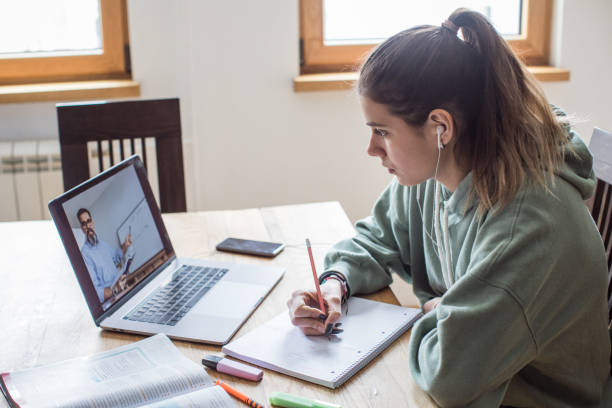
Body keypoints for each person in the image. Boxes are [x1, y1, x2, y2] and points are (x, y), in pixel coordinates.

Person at [286, 8, 612, 407]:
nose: (371, 149)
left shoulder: (530, 227)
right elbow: (376, 238)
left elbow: (448, 376)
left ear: (441, 127)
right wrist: (333, 283)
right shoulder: (435, 174)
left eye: (382, 133)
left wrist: (438, 313)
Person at [78, 208, 132, 303]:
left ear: (92, 222)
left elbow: (117, 256)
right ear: (82, 228)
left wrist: (125, 245)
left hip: (122, 289)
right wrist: (114, 290)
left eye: (88, 221)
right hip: (112, 301)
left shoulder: (103, 244)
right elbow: (95, 292)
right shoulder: (84, 254)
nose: (87, 225)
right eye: (83, 224)